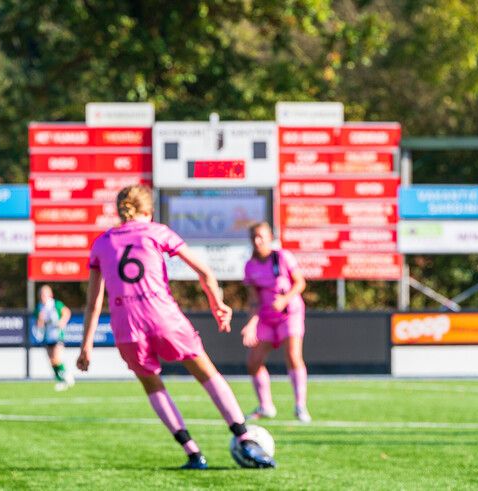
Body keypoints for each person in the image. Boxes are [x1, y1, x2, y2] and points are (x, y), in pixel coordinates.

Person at [77, 184, 275, 470]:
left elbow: (94, 303)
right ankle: (245, 438)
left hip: (127, 326)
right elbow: (204, 271)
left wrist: (86, 346)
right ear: (149, 210)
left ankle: (193, 453)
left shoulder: (102, 243)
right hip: (164, 318)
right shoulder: (158, 232)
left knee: (153, 386)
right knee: (206, 373)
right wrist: (217, 303)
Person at [241, 221, 311, 423]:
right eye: (253, 237)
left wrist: (284, 299)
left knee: (293, 355)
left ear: (270, 237)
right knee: (253, 362)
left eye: (261, 236)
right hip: (266, 317)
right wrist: (251, 324)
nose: (257, 241)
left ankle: (300, 406)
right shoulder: (250, 266)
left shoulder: (282, 257)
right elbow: (253, 300)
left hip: (290, 314)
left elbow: (300, 283)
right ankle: (266, 406)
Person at [35, 284, 74, 391]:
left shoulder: (56, 304)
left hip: (57, 335)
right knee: (51, 360)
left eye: (44, 294)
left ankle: (67, 374)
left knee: (56, 358)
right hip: (47, 336)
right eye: (41, 294)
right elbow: (39, 323)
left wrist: (62, 321)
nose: (42, 296)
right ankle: (60, 380)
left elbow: (66, 312)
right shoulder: (39, 307)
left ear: (50, 294)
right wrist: (40, 320)